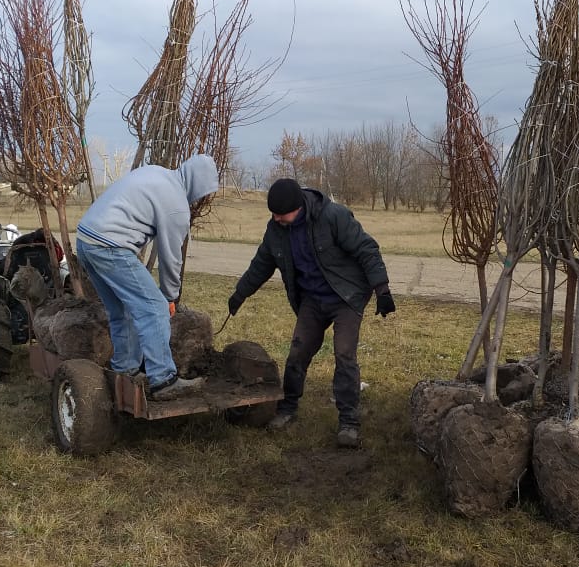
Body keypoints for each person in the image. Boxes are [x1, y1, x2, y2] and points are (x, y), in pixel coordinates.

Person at [227, 178, 395, 448]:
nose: (276, 218)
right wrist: (240, 294)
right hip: (312, 300)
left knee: (344, 354)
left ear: (298, 207)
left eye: (281, 213)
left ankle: (349, 422)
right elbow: (261, 264)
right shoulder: (276, 230)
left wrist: (382, 290)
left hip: (346, 295)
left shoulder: (333, 216)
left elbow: (367, 249)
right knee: (297, 352)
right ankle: (287, 408)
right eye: (273, 214)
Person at [76, 155, 219, 401]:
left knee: (122, 310)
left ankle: (125, 370)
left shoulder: (159, 174)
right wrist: (169, 296)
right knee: (153, 308)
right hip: (110, 246)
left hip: (86, 241)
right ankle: (164, 380)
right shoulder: (176, 205)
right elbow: (171, 257)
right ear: (199, 184)